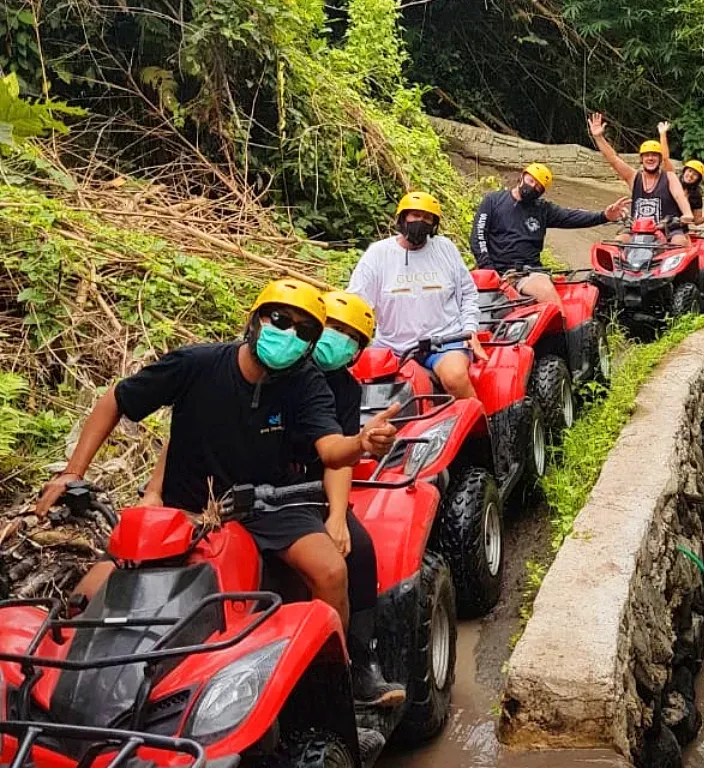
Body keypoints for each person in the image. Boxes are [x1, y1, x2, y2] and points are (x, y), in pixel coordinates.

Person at [34, 278, 399, 657]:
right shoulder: (196, 364)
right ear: (254, 320)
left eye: (303, 329)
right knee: (86, 597)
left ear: (309, 344)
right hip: (186, 506)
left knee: (331, 572)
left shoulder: (307, 385)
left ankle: (335, 675)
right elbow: (117, 399)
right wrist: (73, 473)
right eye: (279, 319)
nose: (287, 333)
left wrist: (360, 444)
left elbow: (330, 448)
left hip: (270, 506)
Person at [137, 289, 404, 709]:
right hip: (237, 490)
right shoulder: (242, 366)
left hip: (303, 490)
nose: (337, 340)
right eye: (334, 328)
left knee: (357, 549)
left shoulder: (334, 389)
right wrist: (154, 491)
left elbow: (336, 457)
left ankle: (358, 663)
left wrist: (336, 515)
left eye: (349, 337)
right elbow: (191, 433)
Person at [348, 191, 485, 400]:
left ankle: (482, 427)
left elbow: (468, 293)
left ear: (434, 225)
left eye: (427, 218)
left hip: (443, 341)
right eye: (414, 215)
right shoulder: (378, 255)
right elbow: (356, 304)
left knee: (454, 378)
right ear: (402, 218)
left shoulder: (445, 249)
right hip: (392, 348)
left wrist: (470, 330)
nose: (420, 222)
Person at [470, 163, 629, 313]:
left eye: (538, 187)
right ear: (522, 176)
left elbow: (571, 216)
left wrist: (604, 216)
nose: (532, 187)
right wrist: (488, 267)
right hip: (491, 271)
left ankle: (564, 335)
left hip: (526, 273)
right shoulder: (493, 201)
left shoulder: (542, 209)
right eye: (530, 180)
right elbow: (478, 235)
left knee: (550, 299)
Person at [586, 112, 695, 245]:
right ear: (641, 159)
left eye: (654, 155)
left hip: (668, 229)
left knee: (679, 242)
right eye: (646, 155)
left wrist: (687, 213)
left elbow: (680, 197)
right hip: (638, 229)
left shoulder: (669, 177)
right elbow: (614, 160)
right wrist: (598, 137)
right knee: (618, 242)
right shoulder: (634, 177)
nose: (650, 158)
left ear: (660, 159)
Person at [658, 121, 704, 226]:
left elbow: (696, 221)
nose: (691, 175)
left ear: (698, 179)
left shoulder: (696, 195)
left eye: (695, 174)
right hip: (661, 222)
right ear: (685, 171)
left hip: (678, 228)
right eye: (690, 171)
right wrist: (663, 134)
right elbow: (665, 159)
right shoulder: (673, 181)